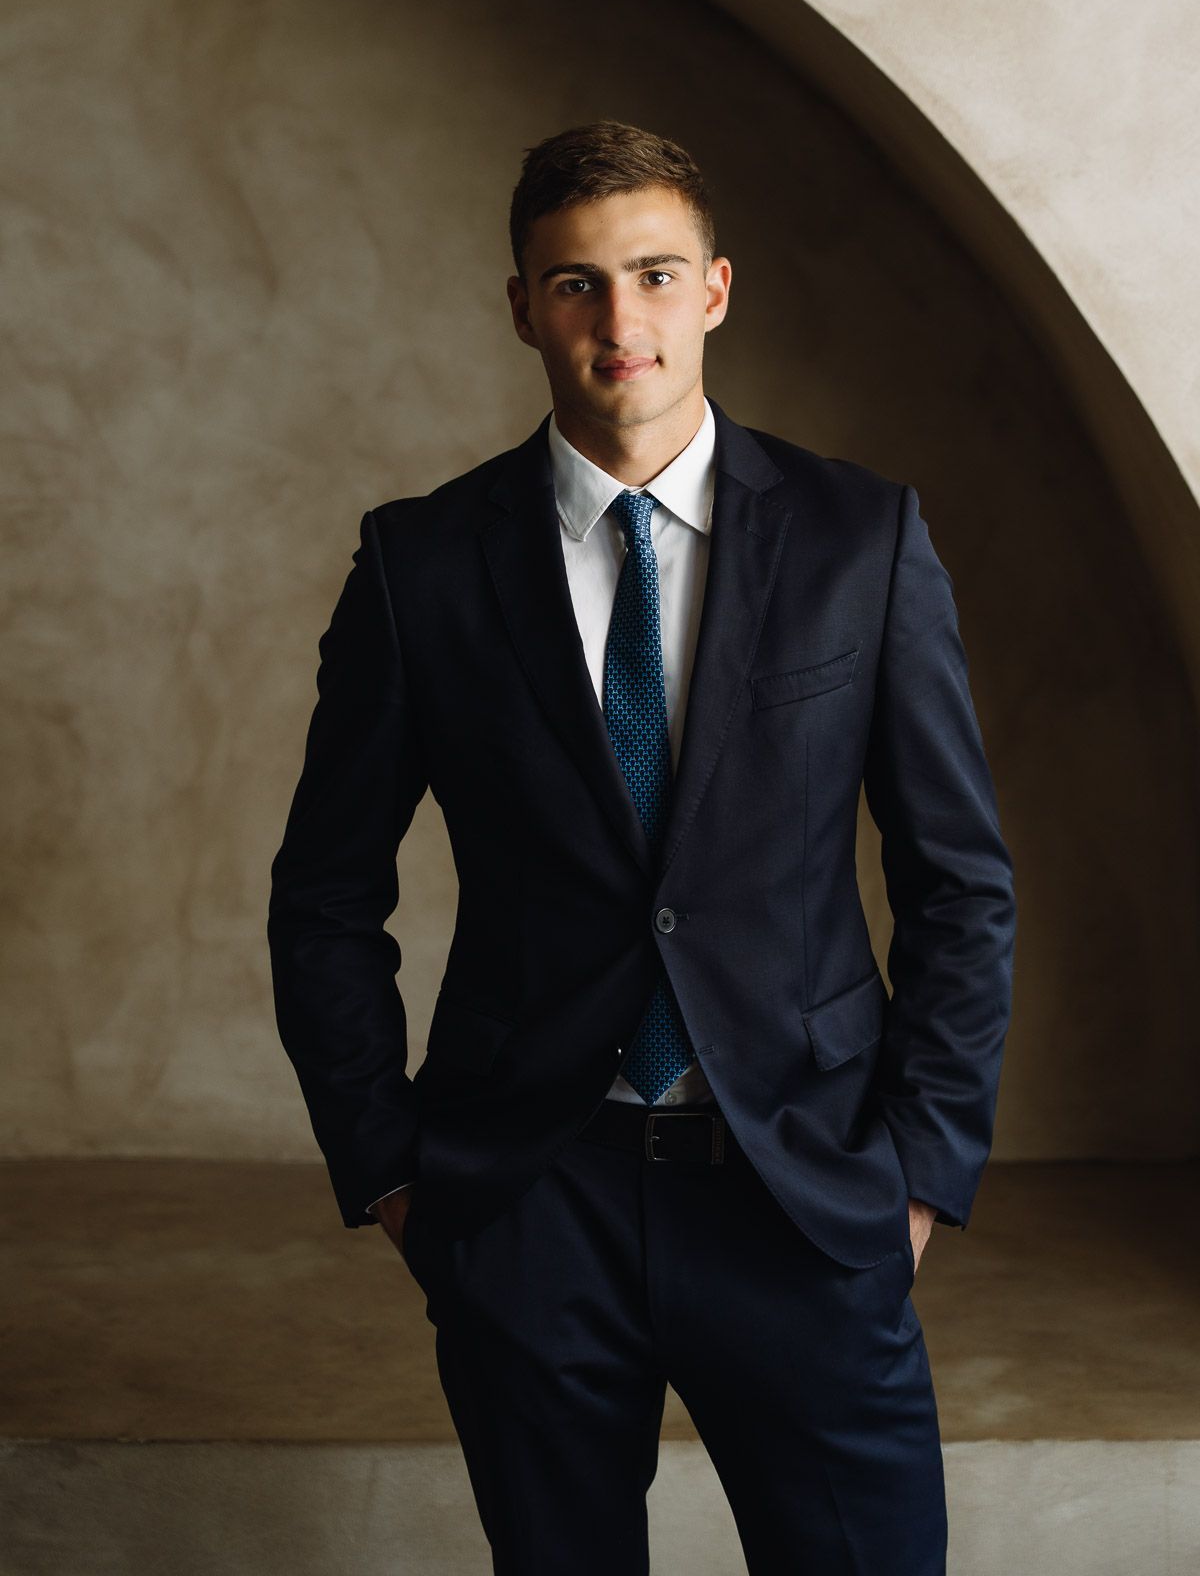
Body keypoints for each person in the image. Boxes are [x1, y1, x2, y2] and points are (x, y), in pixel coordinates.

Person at [267, 118, 1016, 1574]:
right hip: (528, 1198)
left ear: (716, 291)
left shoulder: (864, 540)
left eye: (654, 277)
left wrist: (917, 1174)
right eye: (576, 286)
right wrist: (396, 1172)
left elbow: (961, 881)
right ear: (523, 308)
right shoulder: (422, 567)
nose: (622, 323)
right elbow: (325, 894)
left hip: (802, 1190)